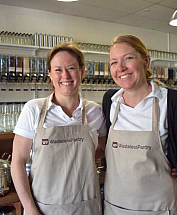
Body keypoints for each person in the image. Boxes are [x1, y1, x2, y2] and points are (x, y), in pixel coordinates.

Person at [101, 34, 177, 215]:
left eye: (128, 58)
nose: (120, 67)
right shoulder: (110, 101)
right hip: (114, 208)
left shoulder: (173, 102)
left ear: (146, 61)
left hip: (161, 209)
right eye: (114, 62)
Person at [11, 42, 107, 215]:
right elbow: (17, 162)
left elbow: (104, 148)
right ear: (49, 73)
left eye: (71, 68)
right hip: (43, 207)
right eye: (58, 70)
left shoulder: (94, 111)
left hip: (86, 206)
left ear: (82, 71)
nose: (65, 75)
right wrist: (31, 209)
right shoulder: (34, 110)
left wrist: (77, 158)